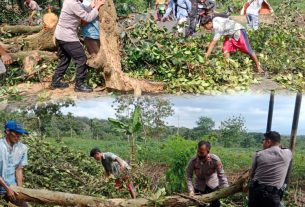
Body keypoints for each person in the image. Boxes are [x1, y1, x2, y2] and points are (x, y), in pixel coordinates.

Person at [50, 0, 105, 93]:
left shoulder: (70, 1)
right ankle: (79, 85)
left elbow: (81, 10)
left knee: (65, 58)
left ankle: (55, 81)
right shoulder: (73, 3)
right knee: (81, 58)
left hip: (60, 35)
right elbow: (87, 18)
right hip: (67, 37)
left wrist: (91, 6)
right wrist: (96, 7)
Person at [200, 16, 265, 74]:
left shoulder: (218, 28)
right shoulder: (215, 19)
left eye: (205, 27)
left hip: (238, 30)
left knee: (248, 50)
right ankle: (228, 68)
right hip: (229, 35)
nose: (205, 29)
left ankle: (258, 67)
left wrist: (205, 57)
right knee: (225, 49)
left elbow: (212, 44)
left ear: (209, 23)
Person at [248, 131, 292, 207]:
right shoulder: (288, 153)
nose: (263, 143)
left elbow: (251, 174)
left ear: (268, 142)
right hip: (273, 195)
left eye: (263, 140)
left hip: (256, 193)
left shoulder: (259, 154)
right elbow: (282, 148)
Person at [186, 141, 229, 207]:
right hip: (199, 186)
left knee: (215, 204)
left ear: (208, 151)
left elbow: (221, 175)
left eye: (202, 153)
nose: (199, 154)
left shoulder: (215, 160)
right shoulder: (193, 161)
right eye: (198, 151)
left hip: (213, 185)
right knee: (200, 204)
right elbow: (188, 176)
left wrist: (225, 188)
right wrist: (191, 190)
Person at [0, 121, 29, 207]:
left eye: (20, 134)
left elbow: (19, 169)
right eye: (16, 133)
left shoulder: (22, 148)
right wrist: (7, 188)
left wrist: (20, 189)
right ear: (7, 131)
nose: (18, 137)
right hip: (5, 188)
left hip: (12, 188)